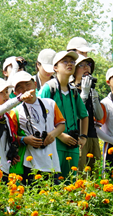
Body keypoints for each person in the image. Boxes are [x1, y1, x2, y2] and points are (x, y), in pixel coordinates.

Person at [38, 50, 88, 178]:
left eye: (72, 62)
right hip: (55, 143)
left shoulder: (74, 91)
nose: (69, 64)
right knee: (54, 182)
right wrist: (60, 135)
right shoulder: (49, 88)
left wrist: (83, 137)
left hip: (73, 144)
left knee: (70, 183)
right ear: (55, 67)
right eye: (64, 62)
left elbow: (84, 115)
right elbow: (40, 115)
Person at [9, 71, 65, 182]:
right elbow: (11, 137)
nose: (25, 89)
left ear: (35, 85)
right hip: (29, 163)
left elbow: (61, 125)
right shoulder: (15, 111)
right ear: (15, 93)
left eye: (28, 84)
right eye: (20, 87)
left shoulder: (50, 103)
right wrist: (25, 139)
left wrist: (52, 134)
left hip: (51, 161)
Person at [72, 55, 103, 175]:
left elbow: (99, 116)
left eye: (88, 65)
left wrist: (94, 95)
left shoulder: (91, 90)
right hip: (79, 137)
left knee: (95, 173)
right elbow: (77, 114)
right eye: (82, 65)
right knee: (80, 173)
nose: (86, 68)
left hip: (93, 136)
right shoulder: (71, 90)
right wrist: (84, 94)